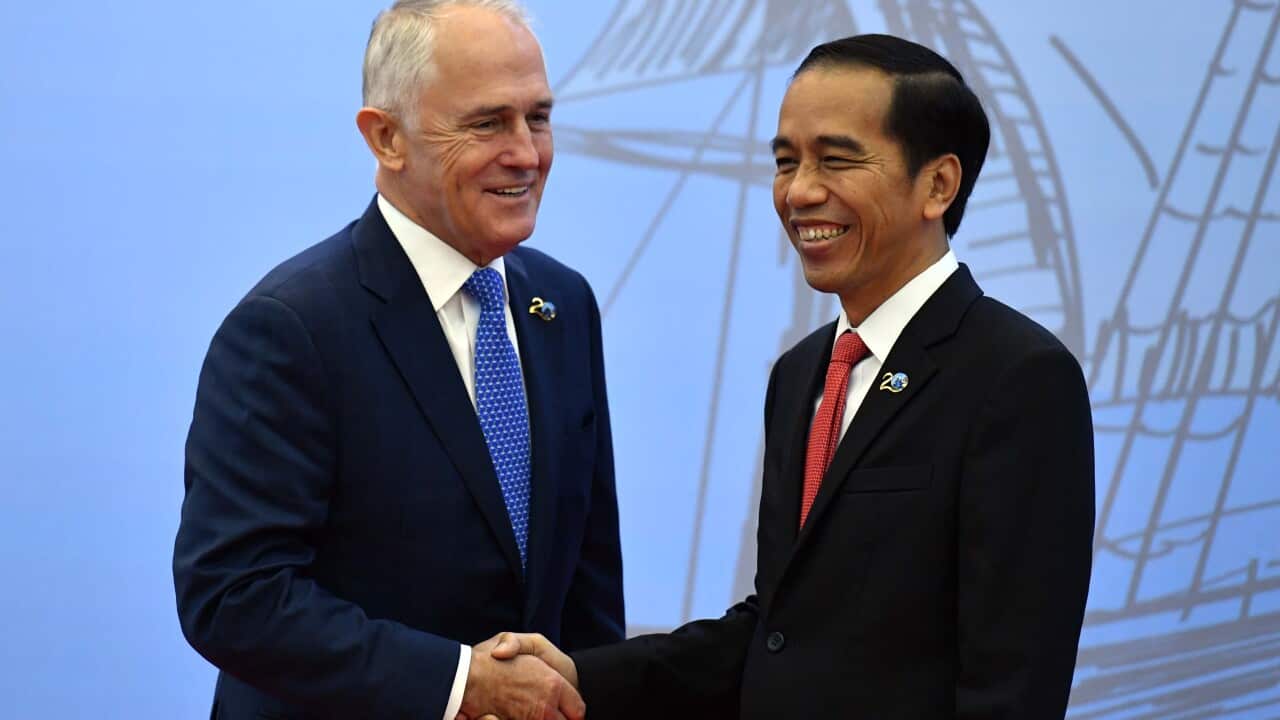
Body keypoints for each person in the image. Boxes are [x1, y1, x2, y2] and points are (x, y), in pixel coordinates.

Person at [489, 33, 1095, 718]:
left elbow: (1012, 685)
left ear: (938, 184)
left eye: (836, 160)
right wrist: (576, 676)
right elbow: (779, 626)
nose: (800, 192)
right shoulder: (802, 373)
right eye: (786, 162)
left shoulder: (1018, 378)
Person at [172, 2, 624, 718]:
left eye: (537, 118)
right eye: (487, 123)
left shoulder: (561, 305)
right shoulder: (292, 327)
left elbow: (587, 585)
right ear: (386, 137)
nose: (527, 153)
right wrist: (460, 685)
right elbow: (234, 594)